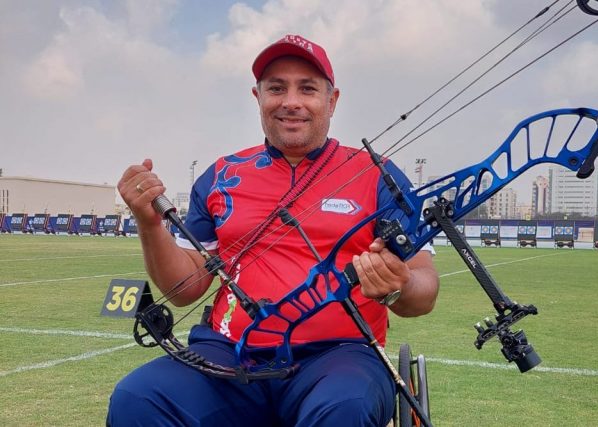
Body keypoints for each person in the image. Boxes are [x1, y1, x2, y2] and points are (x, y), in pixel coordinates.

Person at [108, 34, 439, 427]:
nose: (291, 102)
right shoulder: (220, 176)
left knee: (343, 409)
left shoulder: (378, 174)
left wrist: (398, 284)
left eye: (308, 89)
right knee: (138, 399)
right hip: (230, 354)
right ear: (258, 97)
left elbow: (424, 289)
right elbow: (185, 291)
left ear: (332, 101)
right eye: (277, 88)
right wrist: (149, 224)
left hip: (340, 356)